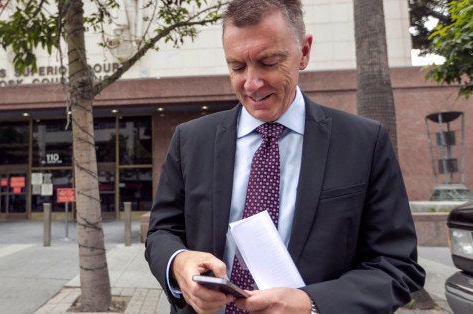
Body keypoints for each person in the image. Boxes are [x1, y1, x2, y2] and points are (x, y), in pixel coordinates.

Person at [144, 0, 425, 313]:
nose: (251, 83)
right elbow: (162, 232)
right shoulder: (190, 139)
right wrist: (178, 263)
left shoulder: (364, 142)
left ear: (303, 52)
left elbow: (396, 265)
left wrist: (313, 304)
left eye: (268, 62)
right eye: (237, 67)